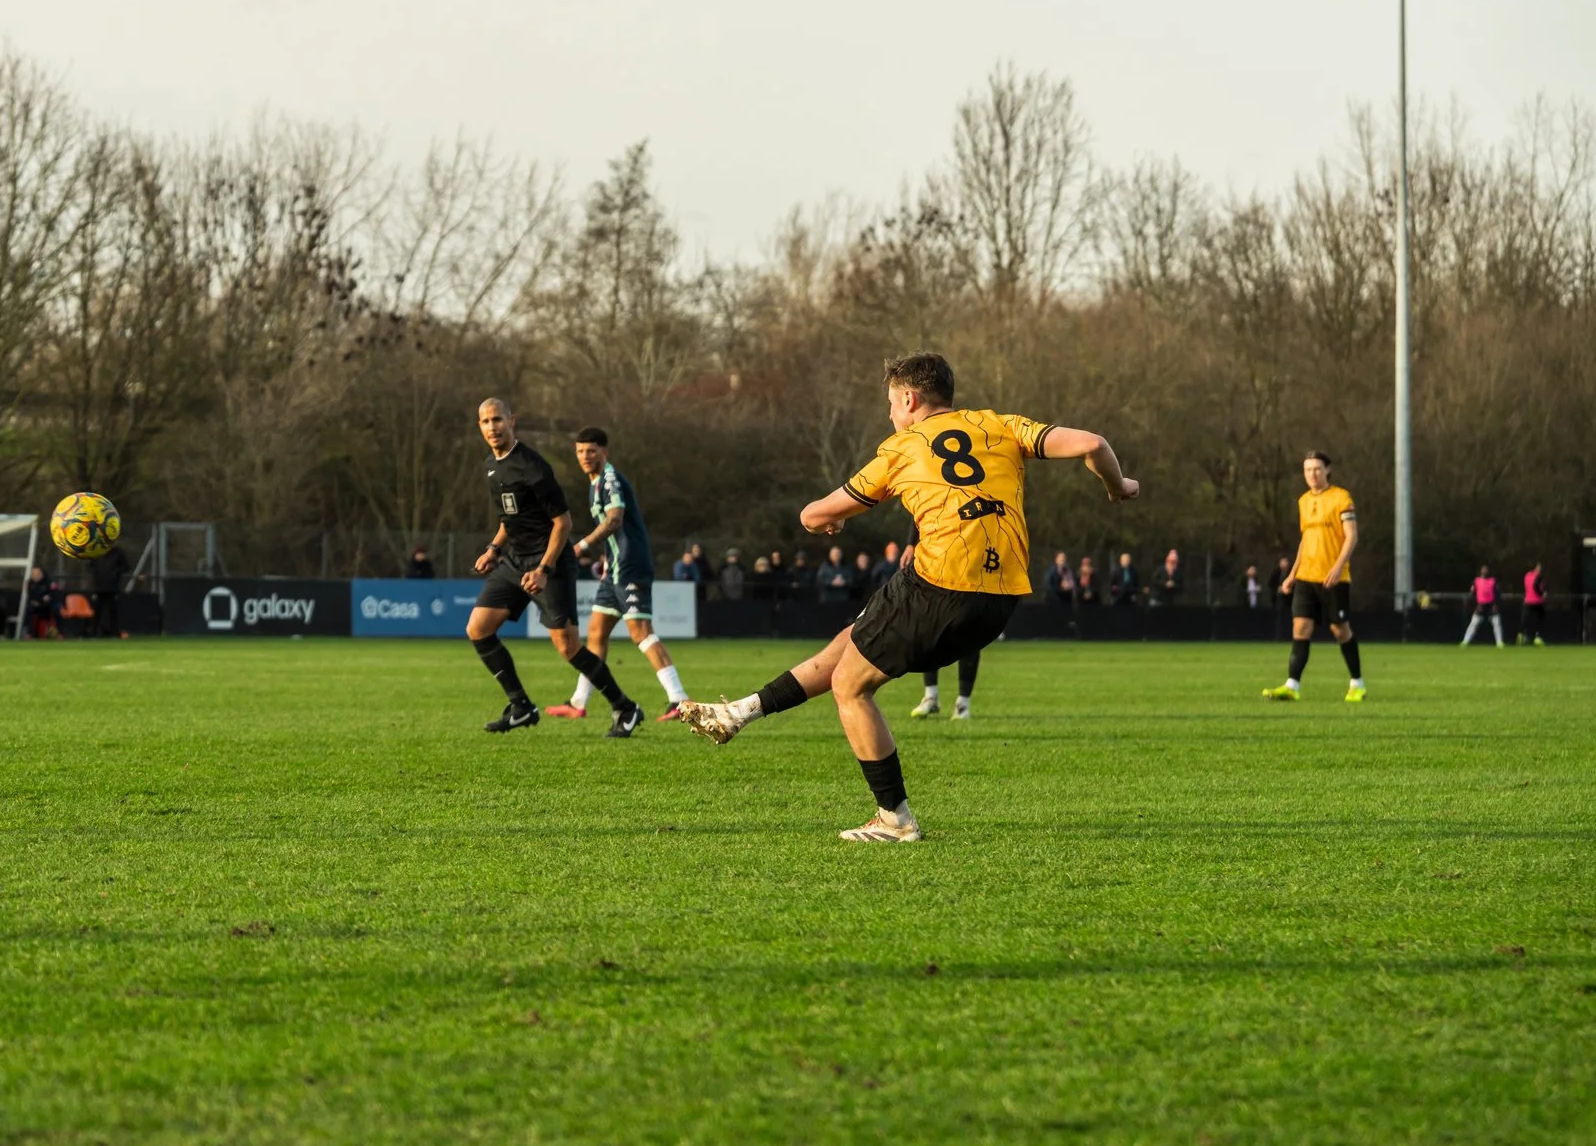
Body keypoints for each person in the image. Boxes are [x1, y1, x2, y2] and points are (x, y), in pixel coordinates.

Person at [677, 352, 1138, 842]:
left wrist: (824, 518)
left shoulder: (900, 449)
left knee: (850, 686)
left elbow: (814, 515)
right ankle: (740, 712)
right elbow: (1092, 443)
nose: (890, 416)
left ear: (909, 398)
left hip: (939, 584)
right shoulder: (1000, 425)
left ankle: (894, 820)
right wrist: (1119, 485)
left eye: (891, 405)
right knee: (848, 644)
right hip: (1001, 596)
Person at [465, 399, 646, 737]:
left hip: (550, 562)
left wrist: (544, 569)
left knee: (568, 648)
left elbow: (563, 522)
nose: (493, 427)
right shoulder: (491, 465)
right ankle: (521, 706)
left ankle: (625, 708)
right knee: (478, 628)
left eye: (498, 420)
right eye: (486, 421)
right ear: (480, 426)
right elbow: (510, 518)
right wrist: (494, 548)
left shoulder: (533, 466)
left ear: (511, 421)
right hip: (514, 561)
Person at [545, 426, 689, 728]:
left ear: (604, 453)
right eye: (581, 451)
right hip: (615, 568)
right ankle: (578, 702)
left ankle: (680, 700)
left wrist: (581, 545)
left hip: (630, 566)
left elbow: (615, 519)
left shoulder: (609, 479)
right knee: (596, 634)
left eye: (591, 451)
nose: (585, 456)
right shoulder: (595, 482)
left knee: (640, 631)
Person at [1263, 451, 1366, 702]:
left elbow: (1351, 536)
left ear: (1327, 470)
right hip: (1307, 577)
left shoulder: (1341, 498)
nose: (1312, 474)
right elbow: (1306, 540)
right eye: (1308, 470)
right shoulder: (1303, 501)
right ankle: (1292, 685)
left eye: (1317, 469)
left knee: (1340, 630)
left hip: (1334, 578)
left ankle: (1357, 684)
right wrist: (1292, 574)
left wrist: (1337, 566)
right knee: (1300, 627)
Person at [1460, 565, 1505, 647]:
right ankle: (1465, 641)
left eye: (1486, 570)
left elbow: (1498, 594)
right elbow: (1473, 594)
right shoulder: (1476, 581)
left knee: (1496, 623)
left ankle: (1499, 643)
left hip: (1491, 605)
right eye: (1483, 570)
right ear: (1481, 571)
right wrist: (1476, 605)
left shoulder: (1493, 581)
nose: (1485, 571)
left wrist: (1495, 604)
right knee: (1474, 623)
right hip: (1480, 605)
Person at [24, 565, 60, 638]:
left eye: (36, 574)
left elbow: (56, 595)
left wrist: (49, 597)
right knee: (29, 609)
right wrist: (38, 600)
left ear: (41, 574)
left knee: (57, 609)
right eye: (33, 574)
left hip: (49, 606)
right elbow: (31, 596)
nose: (34, 576)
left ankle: (60, 633)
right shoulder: (30, 584)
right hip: (37, 606)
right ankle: (29, 633)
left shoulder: (50, 582)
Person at [1522, 561, 1549, 645]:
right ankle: (1537, 637)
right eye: (1539, 567)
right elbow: (1536, 586)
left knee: (1526, 619)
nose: (1540, 569)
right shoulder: (1538, 576)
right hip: (1537, 601)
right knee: (1539, 620)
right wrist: (1542, 594)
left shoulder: (1527, 575)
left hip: (1527, 601)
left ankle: (1524, 635)